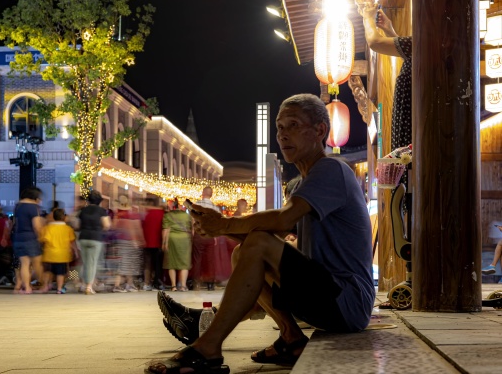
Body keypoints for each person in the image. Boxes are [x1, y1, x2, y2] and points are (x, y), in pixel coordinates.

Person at [148, 94, 375, 373]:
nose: (283, 135)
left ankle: (207, 346)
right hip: (327, 297)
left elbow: (282, 220)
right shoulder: (302, 184)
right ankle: (290, 338)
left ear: (320, 131)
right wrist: (219, 228)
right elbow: (269, 241)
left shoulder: (331, 169)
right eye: (279, 127)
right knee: (245, 251)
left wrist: (224, 225)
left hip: (347, 301)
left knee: (254, 246)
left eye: (293, 125)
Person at [361, 4, 412, 151]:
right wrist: (389, 29)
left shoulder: (423, 42)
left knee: (403, 170)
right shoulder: (422, 46)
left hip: (409, 148)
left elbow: (374, 42)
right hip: (406, 147)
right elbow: (408, 56)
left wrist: (367, 17)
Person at [12, 186, 46, 294]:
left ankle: (27, 288)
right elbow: (36, 225)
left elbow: (14, 223)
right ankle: (43, 284)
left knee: (24, 264)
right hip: (30, 238)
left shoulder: (18, 206)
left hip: (18, 238)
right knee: (37, 264)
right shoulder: (33, 207)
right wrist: (41, 236)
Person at [77, 190, 111, 295]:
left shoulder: (83, 210)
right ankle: (89, 286)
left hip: (83, 237)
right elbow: (107, 225)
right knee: (92, 263)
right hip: (95, 238)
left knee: (85, 262)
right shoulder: (101, 211)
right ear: (99, 201)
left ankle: (83, 283)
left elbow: (77, 225)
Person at [40, 208, 78, 294]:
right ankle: (59, 289)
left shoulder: (47, 228)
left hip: (49, 254)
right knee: (60, 273)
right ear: (64, 217)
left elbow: (43, 240)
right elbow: (72, 242)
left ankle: (45, 286)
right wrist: (75, 252)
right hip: (62, 255)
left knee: (47, 271)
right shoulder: (68, 229)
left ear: (53, 217)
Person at [190, 186, 221, 291]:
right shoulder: (215, 208)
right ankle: (210, 283)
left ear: (202, 193)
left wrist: (193, 233)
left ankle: (196, 282)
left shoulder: (196, 205)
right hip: (210, 235)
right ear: (211, 194)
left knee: (197, 258)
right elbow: (217, 224)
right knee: (210, 260)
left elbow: (192, 221)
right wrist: (215, 237)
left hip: (199, 234)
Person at [111, 196, 144, 293]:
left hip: (119, 241)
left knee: (122, 263)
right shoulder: (132, 215)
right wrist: (137, 240)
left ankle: (125, 284)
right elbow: (134, 228)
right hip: (129, 241)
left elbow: (113, 227)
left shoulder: (117, 215)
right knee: (129, 264)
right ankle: (125, 285)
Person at [162, 198, 193, 292]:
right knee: (184, 263)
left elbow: (166, 230)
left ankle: (173, 286)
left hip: (172, 239)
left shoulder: (167, 215)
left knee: (171, 263)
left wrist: (164, 242)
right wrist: (191, 240)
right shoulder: (187, 216)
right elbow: (192, 230)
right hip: (185, 239)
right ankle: (183, 286)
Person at [141, 196, 166, 291]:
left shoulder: (145, 213)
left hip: (146, 241)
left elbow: (141, 226)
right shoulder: (162, 213)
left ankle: (146, 283)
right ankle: (157, 283)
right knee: (158, 265)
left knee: (147, 264)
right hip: (158, 242)